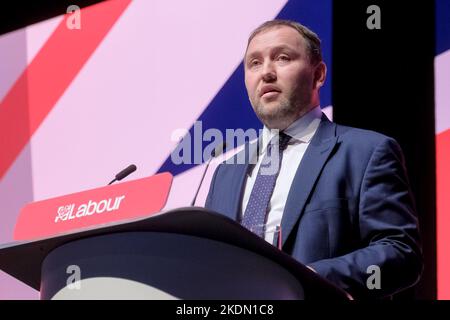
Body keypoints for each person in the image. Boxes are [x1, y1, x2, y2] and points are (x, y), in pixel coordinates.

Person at [204, 19, 422, 299]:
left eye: (282, 58)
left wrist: (313, 279)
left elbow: (401, 253)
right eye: (254, 63)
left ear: (318, 74)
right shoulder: (226, 171)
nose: (267, 72)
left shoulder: (366, 151)